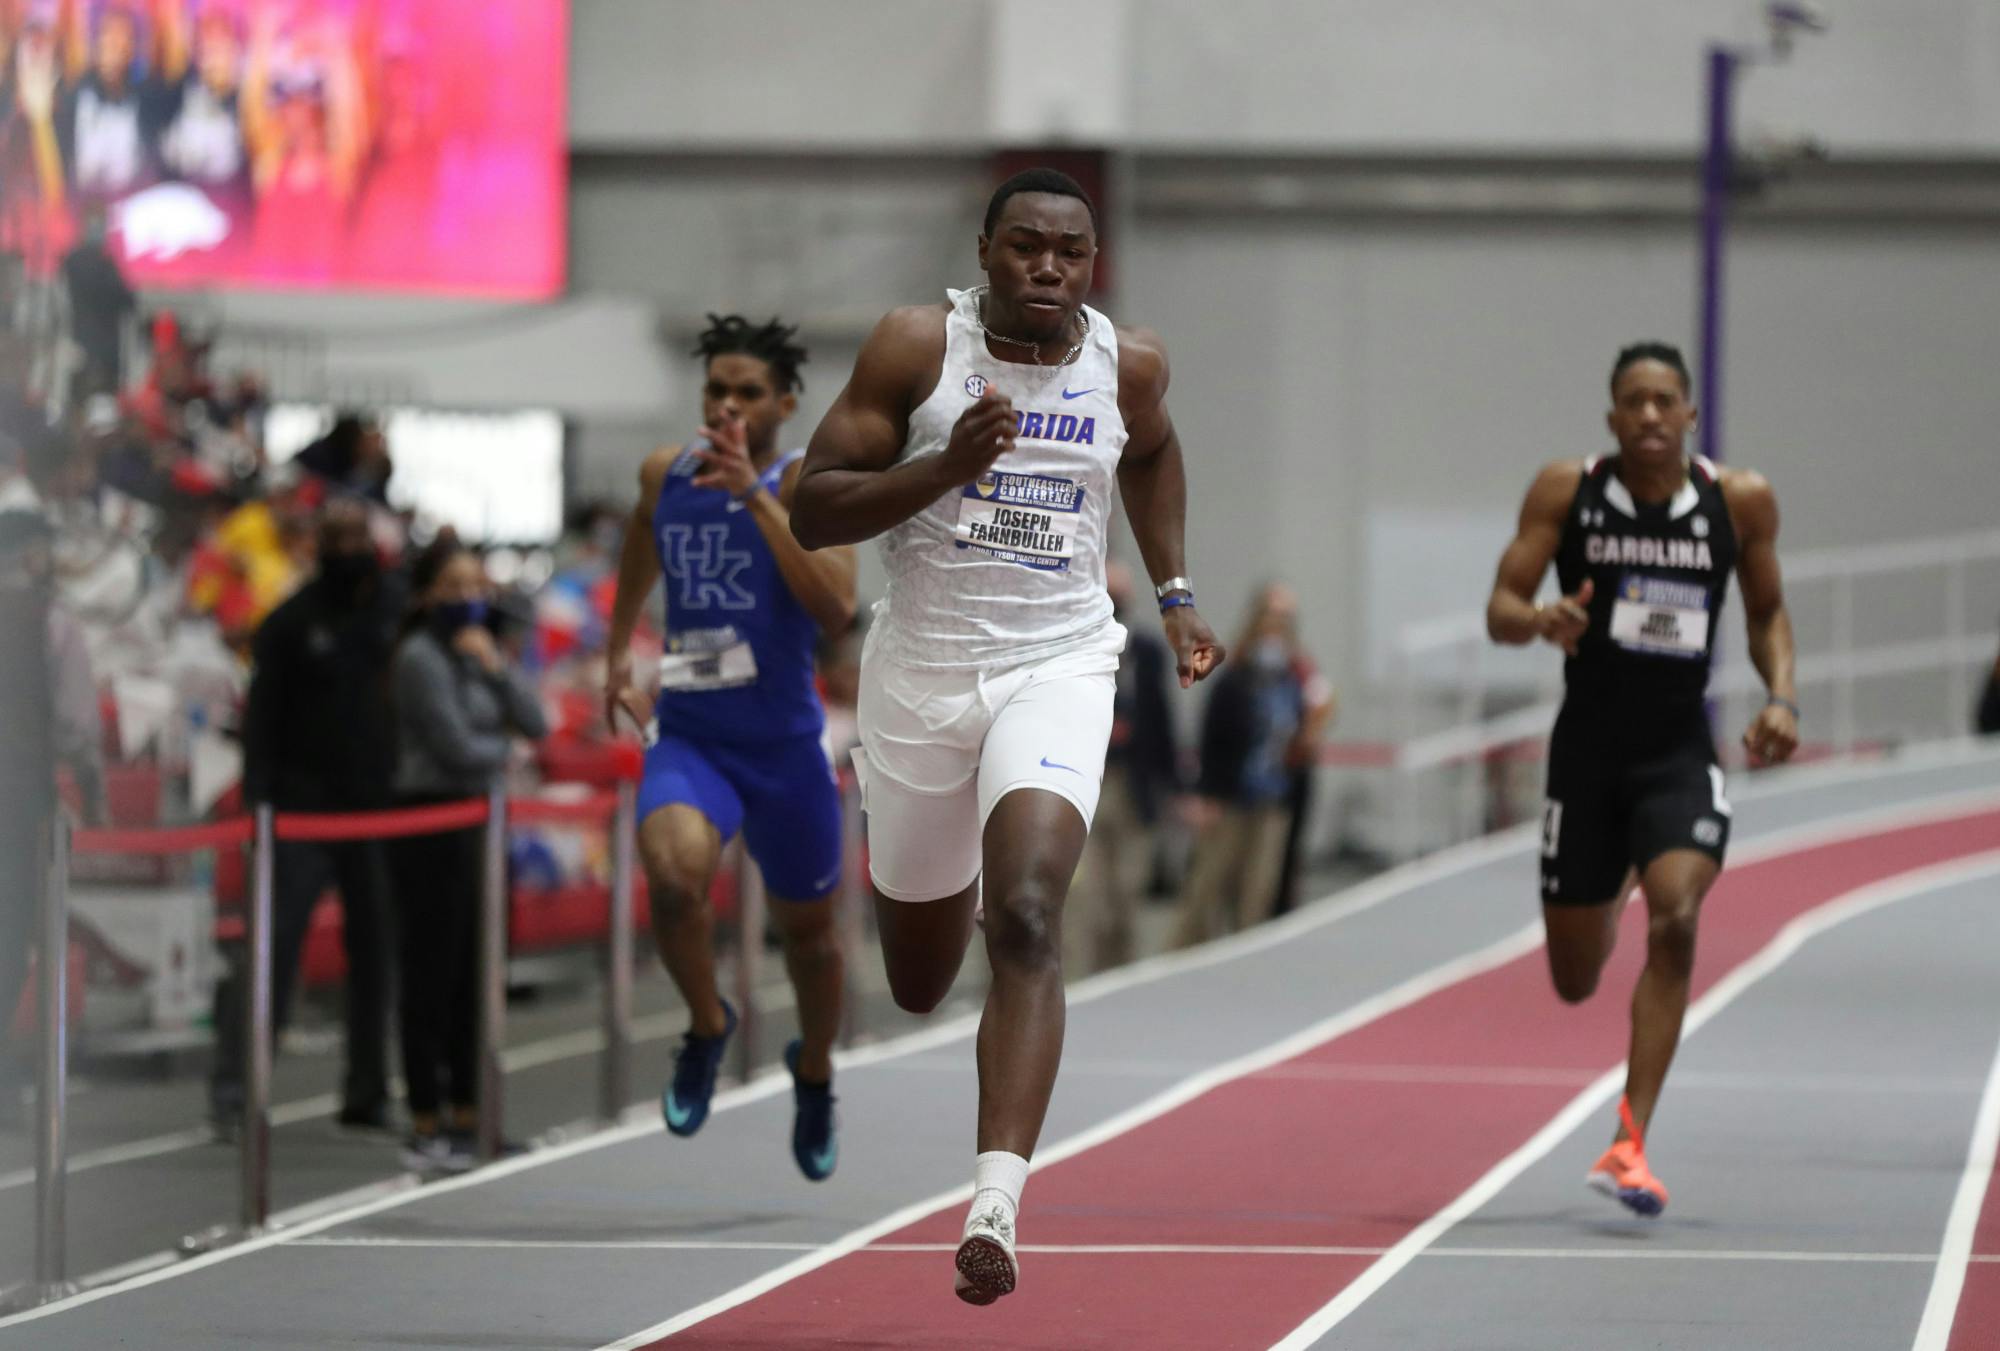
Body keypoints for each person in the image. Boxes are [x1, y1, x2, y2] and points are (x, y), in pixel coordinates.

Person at [788, 167, 1225, 1304]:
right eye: (1024, 246)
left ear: (1091, 265)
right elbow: (815, 504)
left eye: (1068, 253)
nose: (1046, 266)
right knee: (923, 979)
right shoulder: (914, 347)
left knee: (1029, 912)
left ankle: (994, 1202)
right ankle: (952, 838)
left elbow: (1151, 450)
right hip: (922, 675)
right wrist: (944, 467)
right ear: (983, 251)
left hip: (1060, 659)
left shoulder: (1125, 362)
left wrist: (1172, 591)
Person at [1485, 340, 1799, 1217]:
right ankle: (1615, 865)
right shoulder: (1567, 491)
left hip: (1676, 754)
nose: (1653, 415)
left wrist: (1785, 697)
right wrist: (1539, 618)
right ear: (1614, 419)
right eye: (1636, 402)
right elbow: (1499, 607)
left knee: (1680, 915)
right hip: (1585, 756)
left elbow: (1769, 609)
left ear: (1691, 416)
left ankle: (1631, 1136)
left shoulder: (1740, 500)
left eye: (1668, 400)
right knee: (1575, 976)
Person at [603, 315, 856, 1182]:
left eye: (749, 392)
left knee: (814, 943)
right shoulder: (663, 472)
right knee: (673, 882)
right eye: (717, 389)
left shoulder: (811, 483)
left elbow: (834, 609)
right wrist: (617, 652)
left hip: (786, 748)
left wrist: (755, 493)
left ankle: (814, 1068)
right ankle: (709, 1023)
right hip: (694, 735)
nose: (729, 405)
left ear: (784, 403)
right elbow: (644, 530)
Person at [212, 498, 399, 1137]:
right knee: (272, 949)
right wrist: (261, 804)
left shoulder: (393, 615)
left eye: (358, 537)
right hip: (298, 812)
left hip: (374, 810)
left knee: (376, 955)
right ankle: (235, 1091)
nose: (349, 549)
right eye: (337, 538)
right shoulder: (290, 623)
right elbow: (261, 718)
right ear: (319, 546)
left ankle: (369, 1090)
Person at [388, 540, 546, 1171]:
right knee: (432, 974)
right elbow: (455, 746)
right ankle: (426, 1117)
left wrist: (495, 670)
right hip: (430, 822)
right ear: (426, 595)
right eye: (451, 588)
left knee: (477, 972)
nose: (466, 600)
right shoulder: (418, 659)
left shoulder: (481, 654)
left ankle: (469, 1114)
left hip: (481, 824)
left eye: (474, 587)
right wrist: (505, 753)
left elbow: (535, 721)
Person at [1170, 582, 1317, 948]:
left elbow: (1303, 737)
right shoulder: (1235, 678)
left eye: (1285, 620)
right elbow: (1212, 738)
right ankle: (1181, 962)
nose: (1277, 627)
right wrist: (1204, 795)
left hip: (1272, 803)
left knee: (1258, 894)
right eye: (1272, 617)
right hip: (1230, 801)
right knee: (1207, 891)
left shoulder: (1293, 679)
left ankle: (1248, 961)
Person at [1066, 559, 1180, 974]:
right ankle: (1086, 975)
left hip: (1135, 783)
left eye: (1122, 596)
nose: (1117, 603)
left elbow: (1163, 719)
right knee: (1087, 893)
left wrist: (1174, 787)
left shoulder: (1145, 651)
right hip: (1089, 780)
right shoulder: (1073, 646)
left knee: (1127, 889)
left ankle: (1122, 972)